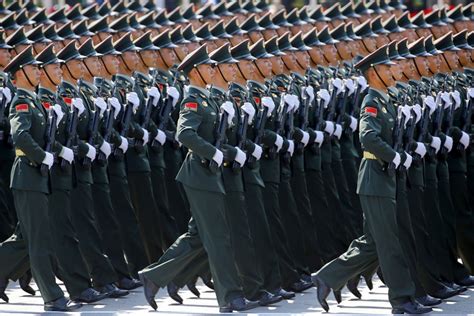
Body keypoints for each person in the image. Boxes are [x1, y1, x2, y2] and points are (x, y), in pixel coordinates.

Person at [312, 45, 430, 314]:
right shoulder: (371, 101)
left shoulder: (385, 99)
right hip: (375, 178)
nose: (392, 70)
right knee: (389, 243)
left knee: (374, 242)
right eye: (387, 67)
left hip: (383, 178)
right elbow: (367, 137)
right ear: (374, 72)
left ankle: (326, 277)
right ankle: (402, 300)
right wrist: (394, 156)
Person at [5, 45, 81, 312]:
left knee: (26, 240)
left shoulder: (35, 100)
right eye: (33, 68)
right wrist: (42, 156)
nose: (38, 71)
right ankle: (52, 297)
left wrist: (59, 150)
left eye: (39, 67)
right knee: (39, 241)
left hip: (36, 176)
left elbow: (42, 136)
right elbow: (21, 136)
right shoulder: (21, 101)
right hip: (28, 174)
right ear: (19, 73)